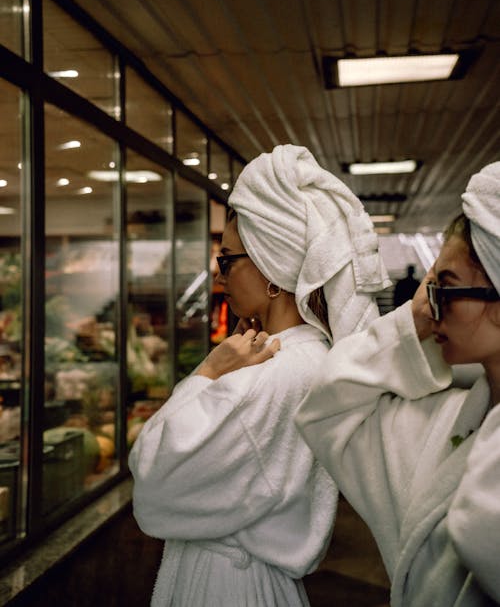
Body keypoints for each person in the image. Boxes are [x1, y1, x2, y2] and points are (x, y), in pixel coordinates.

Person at [129, 144, 390, 607]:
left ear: (272, 269)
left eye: (228, 259)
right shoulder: (315, 356)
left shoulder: (268, 373)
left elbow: (152, 479)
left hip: (224, 586)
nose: (219, 273)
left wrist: (209, 370)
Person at [294, 161, 500, 606]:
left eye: (443, 288)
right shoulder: (453, 420)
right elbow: (327, 408)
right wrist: (412, 320)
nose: (429, 306)